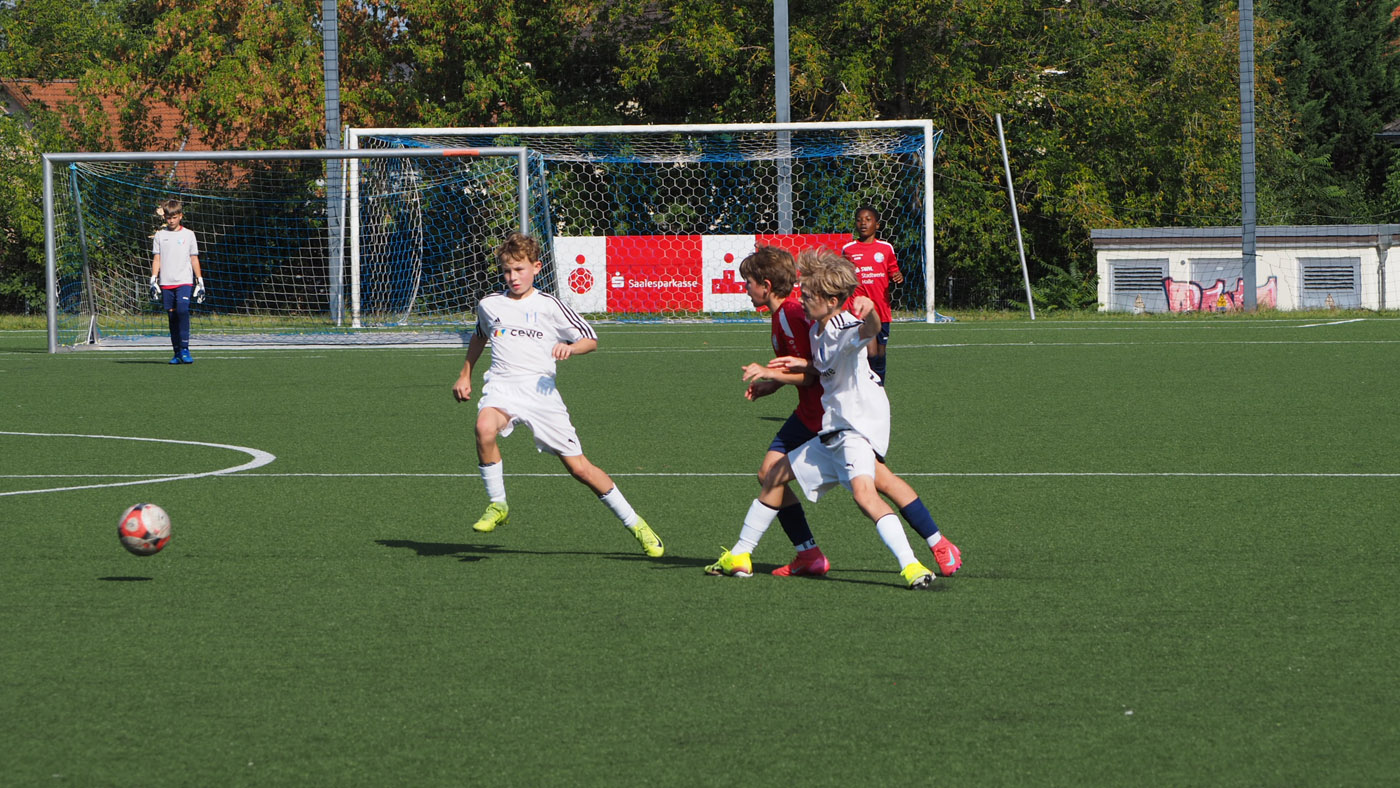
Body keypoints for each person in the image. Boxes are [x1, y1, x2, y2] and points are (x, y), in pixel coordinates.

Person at [708, 249, 959, 589]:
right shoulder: (816, 328)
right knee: (774, 476)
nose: (801, 299)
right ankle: (741, 553)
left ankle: (912, 566)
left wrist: (870, 311)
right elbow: (821, 366)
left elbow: (867, 332)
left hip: (855, 428)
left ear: (831, 301)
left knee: (865, 495)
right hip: (832, 431)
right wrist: (796, 368)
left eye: (807, 296)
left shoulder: (843, 325)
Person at [451, 232, 664, 558]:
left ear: (536, 268)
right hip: (502, 388)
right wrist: (465, 373)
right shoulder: (490, 305)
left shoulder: (549, 306)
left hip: (541, 395)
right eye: (507, 271)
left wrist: (570, 348)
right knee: (483, 427)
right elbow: (480, 335)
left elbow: (590, 340)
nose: (513, 277)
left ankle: (637, 524)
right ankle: (498, 504)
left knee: (580, 469)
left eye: (519, 269)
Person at [841, 206, 902, 385]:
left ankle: (879, 386)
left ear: (877, 224)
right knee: (870, 353)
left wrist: (897, 276)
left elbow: (893, 270)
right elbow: (843, 275)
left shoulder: (886, 248)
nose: (863, 223)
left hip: (881, 310)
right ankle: (864, 386)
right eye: (859, 220)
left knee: (880, 354)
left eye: (868, 220)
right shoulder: (848, 249)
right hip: (859, 311)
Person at [150, 200, 205, 364]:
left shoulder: (189, 235)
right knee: (172, 316)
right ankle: (176, 352)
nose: (171, 221)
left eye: (174, 217)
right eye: (168, 218)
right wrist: (153, 279)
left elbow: (194, 258)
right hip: (166, 282)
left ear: (180, 216)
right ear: (165, 217)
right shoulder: (160, 235)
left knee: (182, 310)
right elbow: (157, 259)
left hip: (184, 281)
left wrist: (200, 281)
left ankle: (185, 349)